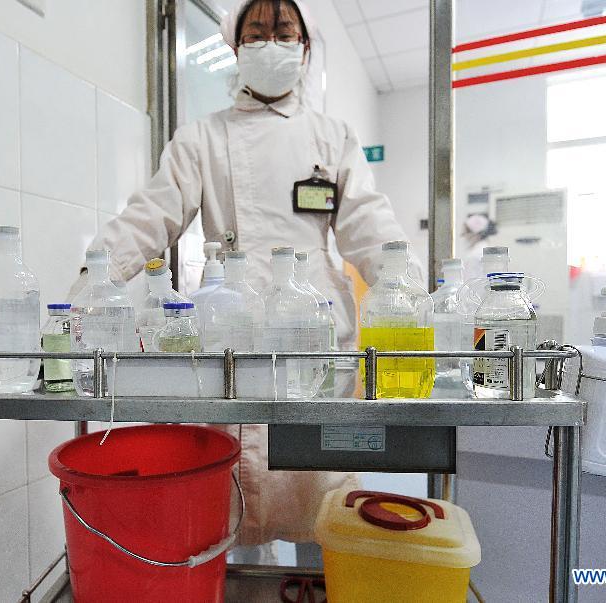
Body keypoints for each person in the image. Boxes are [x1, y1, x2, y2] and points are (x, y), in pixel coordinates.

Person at [83, 0, 422, 559]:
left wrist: (414, 296)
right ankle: (244, 581)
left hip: (316, 336)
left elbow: (369, 226)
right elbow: (149, 216)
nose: (271, 44)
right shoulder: (203, 139)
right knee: (237, 492)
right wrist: (90, 283)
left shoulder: (331, 137)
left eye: (284, 32)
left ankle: (322, 583)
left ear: (305, 48)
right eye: (257, 33)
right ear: (236, 48)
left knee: (324, 492)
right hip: (232, 326)